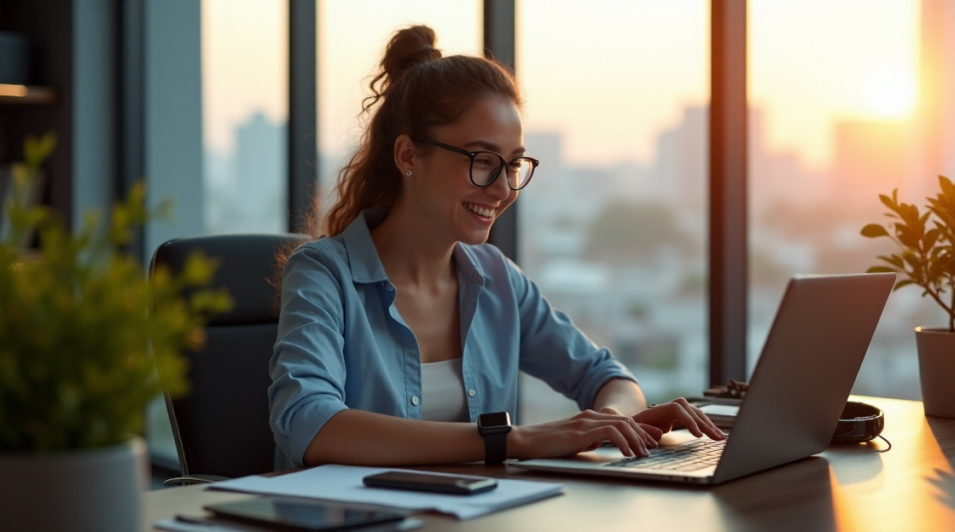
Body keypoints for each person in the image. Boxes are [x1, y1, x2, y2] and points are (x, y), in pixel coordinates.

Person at [268, 25, 725, 471]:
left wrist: (611, 420)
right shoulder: (323, 274)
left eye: (513, 165)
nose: (503, 188)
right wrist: (515, 439)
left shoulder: (497, 278)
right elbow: (309, 423)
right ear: (408, 156)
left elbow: (608, 377)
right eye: (482, 160)